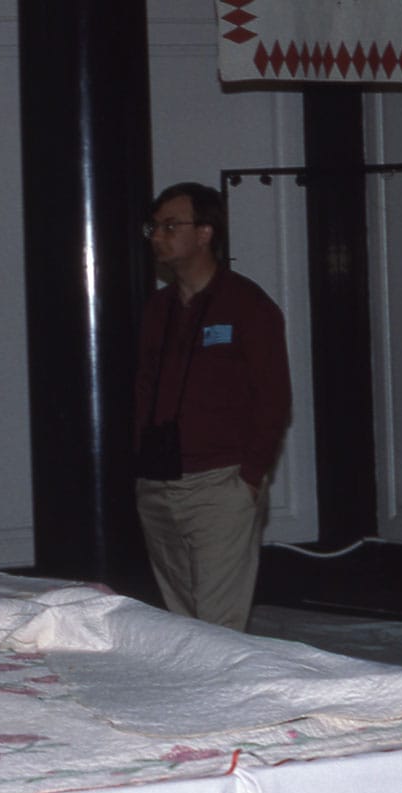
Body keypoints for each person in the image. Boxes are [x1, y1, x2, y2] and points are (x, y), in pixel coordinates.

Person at [134, 182, 292, 632]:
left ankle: (227, 701)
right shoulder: (158, 309)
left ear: (205, 234)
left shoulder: (247, 305)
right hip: (157, 480)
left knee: (218, 623)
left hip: (220, 483)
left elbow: (274, 398)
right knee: (181, 619)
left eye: (170, 225)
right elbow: (143, 391)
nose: (157, 236)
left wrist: (250, 476)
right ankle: (193, 701)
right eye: (154, 226)